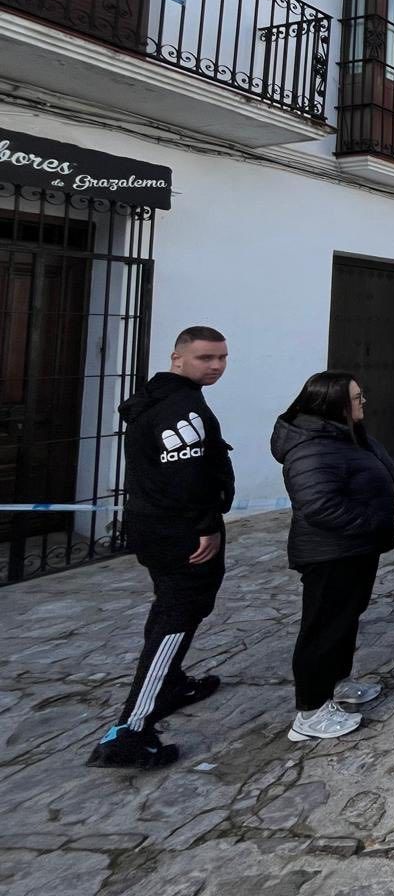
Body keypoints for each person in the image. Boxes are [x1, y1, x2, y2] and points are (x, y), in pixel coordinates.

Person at [88, 326, 234, 769]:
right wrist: (206, 524)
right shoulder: (180, 406)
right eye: (205, 358)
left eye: (222, 358)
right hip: (180, 531)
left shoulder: (166, 397)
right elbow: (185, 476)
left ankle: (171, 683)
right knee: (177, 614)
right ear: (177, 358)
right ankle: (129, 730)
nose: (215, 366)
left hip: (158, 525)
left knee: (176, 605)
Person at [270, 371, 394, 742]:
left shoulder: (345, 435)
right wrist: (377, 522)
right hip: (331, 553)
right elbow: (320, 506)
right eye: (356, 398)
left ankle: (338, 684)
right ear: (332, 404)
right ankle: (310, 711)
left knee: (345, 620)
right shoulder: (311, 447)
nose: (363, 403)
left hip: (356, 548)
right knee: (322, 629)